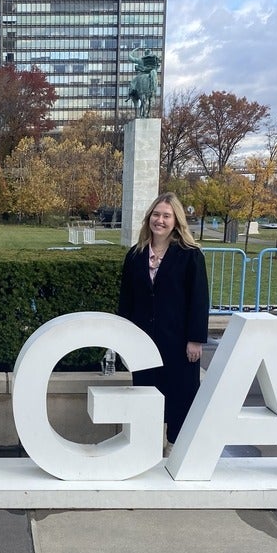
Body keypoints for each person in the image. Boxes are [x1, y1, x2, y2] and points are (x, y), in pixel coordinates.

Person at [118, 192, 209, 449]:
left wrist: (195, 339)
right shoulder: (135, 256)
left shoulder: (190, 256)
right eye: (156, 215)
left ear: (176, 221)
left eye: (166, 216)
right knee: (147, 396)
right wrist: (122, 339)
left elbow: (199, 300)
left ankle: (176, 448)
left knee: (180, 397)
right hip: (143, 342)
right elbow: (126, 301)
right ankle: (148, 448)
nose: (160, 220)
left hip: (179, 343)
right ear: (149, 219)